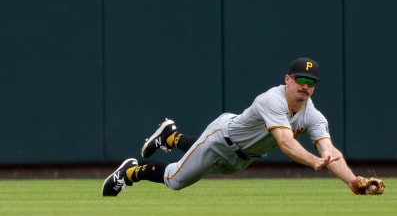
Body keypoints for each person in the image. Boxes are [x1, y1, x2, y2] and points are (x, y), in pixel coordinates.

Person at [102, 57, 365, 196]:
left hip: (241, 159)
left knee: (193, 161)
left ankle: (170, 137)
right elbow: (286, 143)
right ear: (288, 79)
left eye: (312, 81)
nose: (306, 86)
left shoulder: (313, 115)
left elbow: (329, 150)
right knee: (176, 179)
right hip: (221, 140)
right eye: (301, 79)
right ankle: (129, 172)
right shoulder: (272, 100)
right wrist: (313, 161)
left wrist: (353, 182)